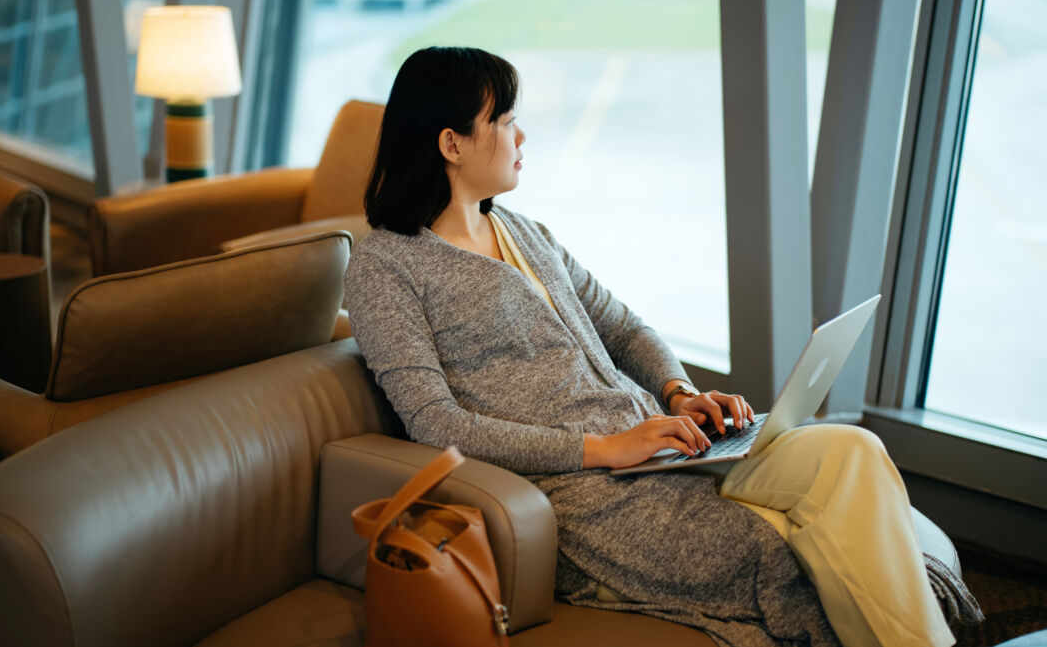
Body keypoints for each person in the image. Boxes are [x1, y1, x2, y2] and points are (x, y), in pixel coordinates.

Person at [345, 46, 959, 647]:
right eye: (504, 122)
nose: (521, 137)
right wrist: (604, 449)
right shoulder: (386, 266)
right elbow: (435, 425)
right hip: (585, 494)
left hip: (666, 446)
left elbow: (624, 328)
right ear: (451, 144)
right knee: (782, 553)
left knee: (851, 450)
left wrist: (679, 393)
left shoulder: (525, 232)